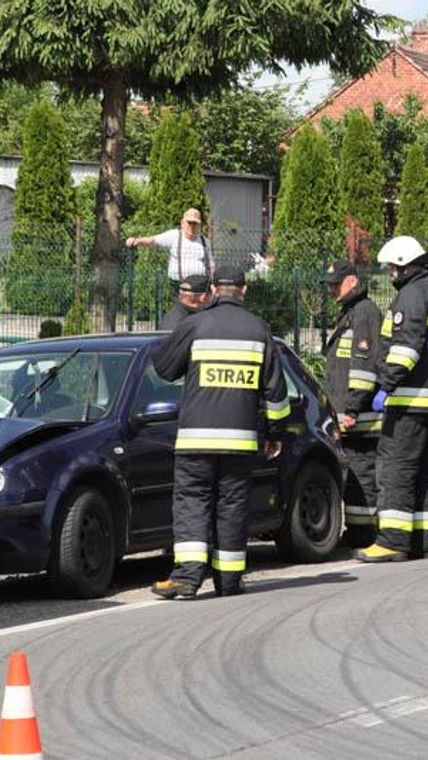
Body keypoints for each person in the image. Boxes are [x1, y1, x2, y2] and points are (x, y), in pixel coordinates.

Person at [150, 264, 289, 599]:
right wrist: (275, 433)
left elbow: (163, 367)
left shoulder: (195, 324)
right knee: (232, 506)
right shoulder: (259, 330)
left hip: (196, 439)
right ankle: (228, 580)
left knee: (192, 502)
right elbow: (277, 393)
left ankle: (187, 577)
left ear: (212, 289)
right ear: (244, 290)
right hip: (240, 442)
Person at [354, 236, 428, 563]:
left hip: (410, 400)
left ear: (402, 265)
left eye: (391, 268)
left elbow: (405, 349)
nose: (389, 274)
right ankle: (423, 541)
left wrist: (385, 385)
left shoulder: (411, 296)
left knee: (396, 467)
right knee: (424, 471)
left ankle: (393, 540)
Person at [320, 260, 383, 549]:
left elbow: (364, 367)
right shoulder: (351, 312)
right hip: (346, 413)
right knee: (355, 472)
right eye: (330, 284)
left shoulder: (366, 313)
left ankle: (363, 531)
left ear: (352, 281)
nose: (332, 289)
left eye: (336, 283)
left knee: (361, 473)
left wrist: (354, 409)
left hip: (358, 415)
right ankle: (359, 529)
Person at [125, 208, 214, 293]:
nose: (191, 226)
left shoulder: (205, 241)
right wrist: (137, 241)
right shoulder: (174, 236)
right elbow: (153, 240)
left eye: (195, 223)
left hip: (200, 286)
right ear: (182, 223)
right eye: (189, 222)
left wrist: (212, 283)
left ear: (199, 225)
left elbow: (211, 264)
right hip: (178, 285)